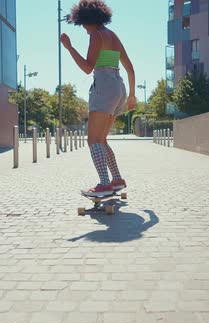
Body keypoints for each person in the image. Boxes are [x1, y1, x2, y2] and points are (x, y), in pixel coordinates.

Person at [61, 0, 136, 197]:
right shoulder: (113, 35)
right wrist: (132, 95)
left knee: (93, 140)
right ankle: (117, 179)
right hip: (119, 86)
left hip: (103, 85)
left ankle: (104, 184)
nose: (84, 29)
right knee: (102, 140)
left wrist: (69, 47)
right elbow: (130, 68)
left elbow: (87, 68)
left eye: (84, 24)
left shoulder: (96, 35)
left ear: (89, 20)